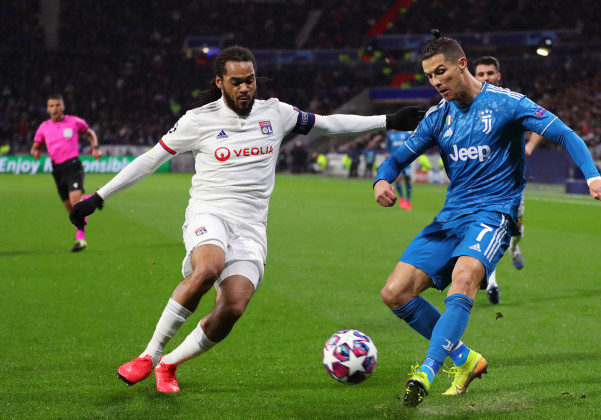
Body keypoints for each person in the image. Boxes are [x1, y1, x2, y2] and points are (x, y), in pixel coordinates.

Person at [69, 46, 423, 393]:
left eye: (250, 81)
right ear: (220, 82)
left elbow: (327, 124)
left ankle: (169, 364)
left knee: (234, 306)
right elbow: (150, 159)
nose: (244, 89)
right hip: (210, 212)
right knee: (208, 269)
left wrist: (388, 120)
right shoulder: (198, 120)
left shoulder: (275, 113)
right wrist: (99, 196)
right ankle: (148, 355)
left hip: (251, 227)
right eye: (236, 82)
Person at [373, 30, 601, 407]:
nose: (436, 82)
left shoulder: (507, 104)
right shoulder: (438, 117)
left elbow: (565, 134)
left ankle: (428, 371)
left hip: (494, 211)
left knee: (464, 277)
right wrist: (382, 179)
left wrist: (592, 176)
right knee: (395, 293)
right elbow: (396, 159)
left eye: (441, 72)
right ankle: (465, 359)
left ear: (462, 65)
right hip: (451, 216)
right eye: (429, 76)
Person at [473, 56, 544, 304]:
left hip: (511, 185)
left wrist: (530, 147)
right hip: (479, 186)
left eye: (489, 73)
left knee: (516, 233)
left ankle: (514, 249)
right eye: (480, 74)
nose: (485, 78)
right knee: (486, 234)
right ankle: (491, 283)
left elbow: (539, 125)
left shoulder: (511, 103)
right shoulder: (465, 105)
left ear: (498, 76)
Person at [31, 94, 101, 252]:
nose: (55, 108)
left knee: (75, 201)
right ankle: (92, 199)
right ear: (47, 109)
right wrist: (35, 152)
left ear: (63, 106)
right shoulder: (44, 127)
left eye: (57, 105)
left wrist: (95, 148)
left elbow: (89, 133)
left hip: (73, 165)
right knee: (72, 210)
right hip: (57, 170)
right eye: (51, 105)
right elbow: (35, 146)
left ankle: (80, 239)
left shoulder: (74, 122)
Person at [385, 129, 414, 210]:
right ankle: (402, 198)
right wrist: (387, 155)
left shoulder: (408, 133)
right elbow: (388, 148)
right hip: (395, 161)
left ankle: (408, 199)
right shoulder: (390, 134)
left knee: (407, 180)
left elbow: (413, 145)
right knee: (397, 180)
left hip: (406, 160)